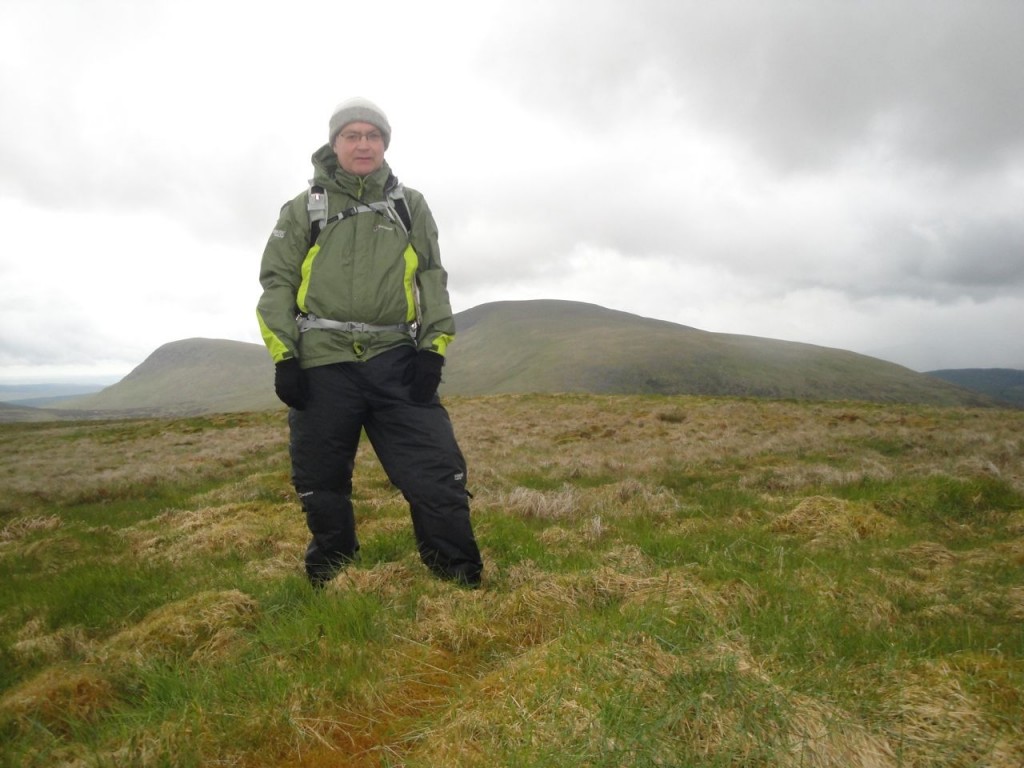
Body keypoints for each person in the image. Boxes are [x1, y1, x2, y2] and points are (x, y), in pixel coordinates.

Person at [256, 97, 483, 588]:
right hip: (322, 364)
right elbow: (276, 283)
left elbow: (431, 276)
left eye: (373, 136)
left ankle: (458, 582)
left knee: (436, 474)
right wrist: (285, 358)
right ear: (334, 143)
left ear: (385, 144)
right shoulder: (303, 209)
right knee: (320, 482)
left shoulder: (409, 205)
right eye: (352, 135)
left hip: (396, 361)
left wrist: (432, 350)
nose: (364, 144)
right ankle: (335, 577)